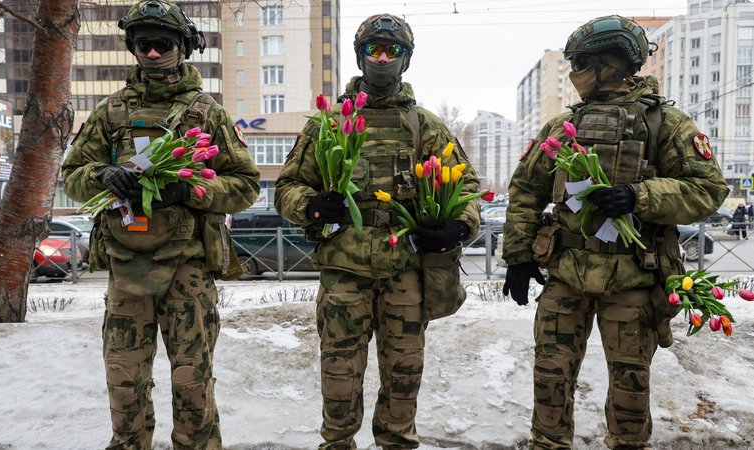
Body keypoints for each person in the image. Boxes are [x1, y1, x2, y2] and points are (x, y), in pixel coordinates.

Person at [501, 15, 728, 450]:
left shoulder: (665, 123)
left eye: (581, 63)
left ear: (613, 63)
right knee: (550, 380)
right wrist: (518, 257)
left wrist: (638, 196)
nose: (575, 73)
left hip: (633, 280)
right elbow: (526, 190)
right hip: (566, 274)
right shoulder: (561, 127)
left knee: (630, 391)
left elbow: (708, 189)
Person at [275, 13, 481, 449]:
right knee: (339, 375)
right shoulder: (329, 123)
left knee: (404, 375)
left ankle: (397, 442)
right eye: (374, 49)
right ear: (360, 56)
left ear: (406, 59)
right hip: (344, 270)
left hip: (405, 270)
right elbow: (287, 187)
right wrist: (311, 205)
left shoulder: (425, 125)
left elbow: (466, 187)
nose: (383, 59)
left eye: (393, 50)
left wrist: (457, 225)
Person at [61, 1, 260, 448]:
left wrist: (188, 191)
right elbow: (72, 174)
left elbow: (245, 183)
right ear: (132, 48)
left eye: (163, 44)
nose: (152, 53)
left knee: (193, 383)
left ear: (182, 48)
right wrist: (101, 175)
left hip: (188, 269)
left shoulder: (206, 113)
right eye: (143, 44)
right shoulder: (111, 112)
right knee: (124, 382)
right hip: (127, 265)